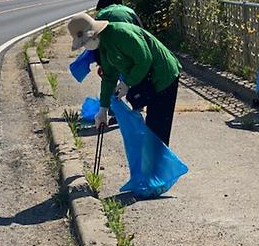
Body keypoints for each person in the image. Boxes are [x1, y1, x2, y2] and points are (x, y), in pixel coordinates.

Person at [67, 13, 181, 146]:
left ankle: (159, 164)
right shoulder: (103, 45)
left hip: (164, 74)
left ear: (93, 34)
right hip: (148, 78)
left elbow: (144, 60)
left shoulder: (121, 34)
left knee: (157, 128)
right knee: (151, 129)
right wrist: (103, 109)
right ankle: (151, 163)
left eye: (85, 42)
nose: (85, 46)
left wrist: (127, 82)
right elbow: (109, 77)